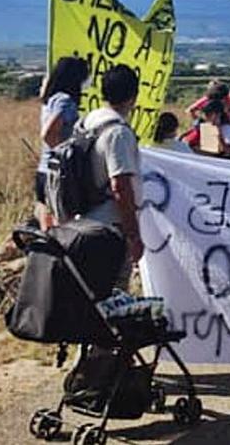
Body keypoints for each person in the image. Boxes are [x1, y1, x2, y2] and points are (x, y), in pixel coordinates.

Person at [77, 65, 144, 290]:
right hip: (110, 227)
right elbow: (121, 186)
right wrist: (134, 236)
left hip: (83, 220)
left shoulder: (89, 121)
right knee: (112, 295)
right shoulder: (118, 133)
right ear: (133, 96)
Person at [35, 56, 89, 229]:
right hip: (59, 174)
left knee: (47, 225)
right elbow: (49, 133)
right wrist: (64, 156)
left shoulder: (51, 99)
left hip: (44, 169)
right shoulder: (65, 102)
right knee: (62, 226)